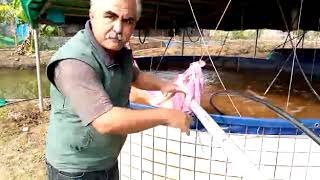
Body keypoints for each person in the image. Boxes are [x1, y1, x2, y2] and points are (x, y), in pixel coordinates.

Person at [45, 0, 192, 179]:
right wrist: (168, 116)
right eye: (110, 16)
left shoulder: (116, 50)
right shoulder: (73, 62)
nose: (118, 28)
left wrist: (163, 85)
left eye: (127, 21)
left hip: (107, 160)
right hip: (74, 170)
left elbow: (134, 75)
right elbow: (105, 120)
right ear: (92, 16)